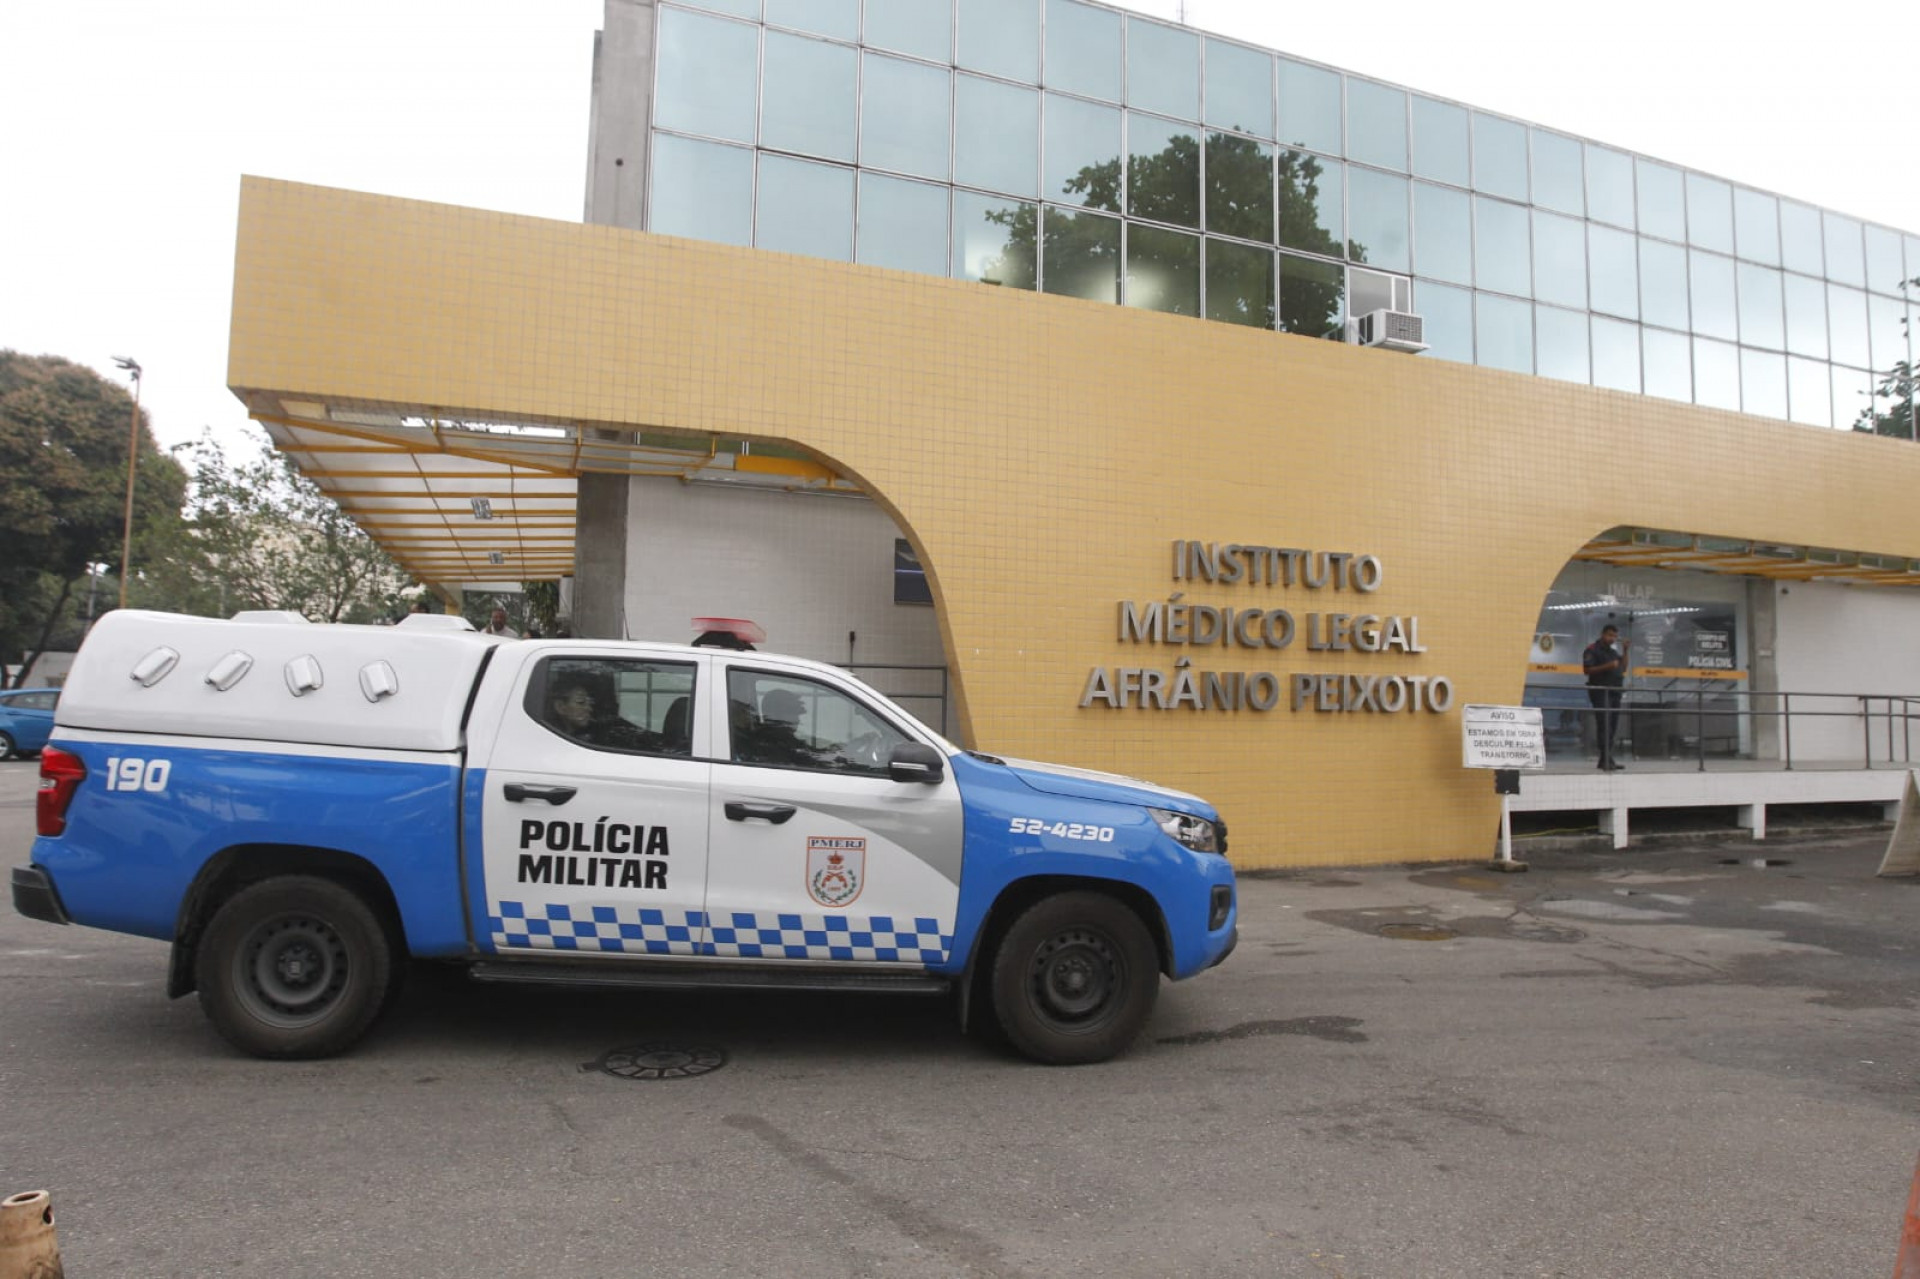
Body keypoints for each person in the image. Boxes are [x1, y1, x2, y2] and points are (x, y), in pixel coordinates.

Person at [1583, 623, 1630, 771]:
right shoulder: (1592, 650)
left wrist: (1625, 651)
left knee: (1612, 726)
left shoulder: (1612, 652)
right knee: (1604, 726)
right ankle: (1606, 759)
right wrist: (1607, 666)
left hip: (1615, 692)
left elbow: (1623, 667)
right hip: (1600, 692)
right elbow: (1587, 670)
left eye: (1615, 636)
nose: (1612, 639)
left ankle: (1605, 760)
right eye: (1610, 635)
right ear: (1603, 634)